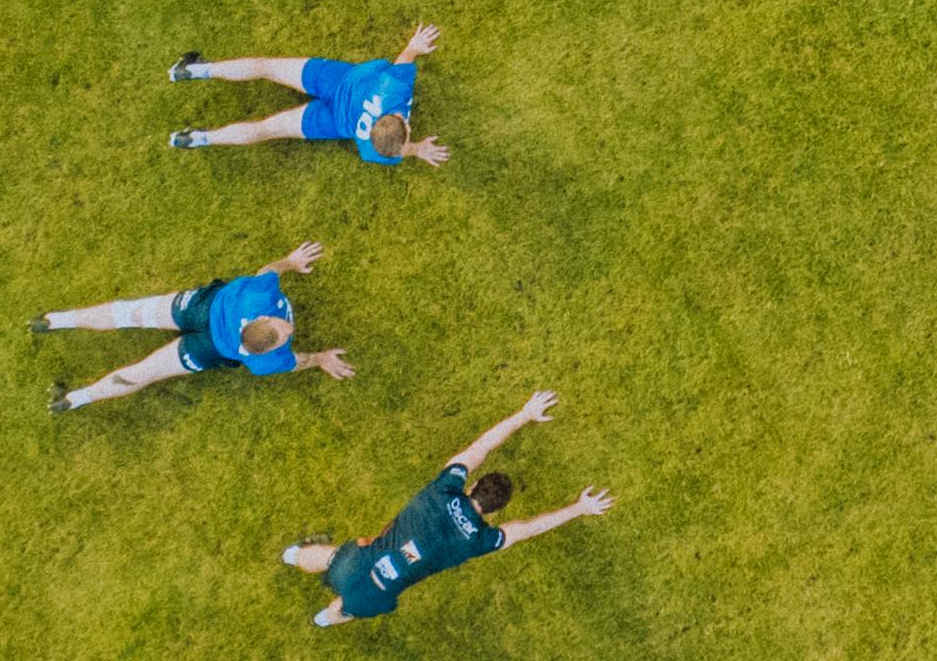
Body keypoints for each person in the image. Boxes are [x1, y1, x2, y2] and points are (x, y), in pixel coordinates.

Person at [288, 387, 607, 627]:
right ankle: (324, 619)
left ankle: (293, 556)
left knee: (332, 557)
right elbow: (528, 528)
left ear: (473, 487)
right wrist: (580, 508)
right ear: (494, 513)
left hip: (357, 561)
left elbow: (481, 446)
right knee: (345, 607)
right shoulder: (480, 541)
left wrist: (525, 414)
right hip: (375, 595)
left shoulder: (445, 488)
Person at [39, 236, 349, 409]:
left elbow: (270, 270)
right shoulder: (263, 334)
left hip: (205, 323)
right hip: (205, 325)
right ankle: (58, 322)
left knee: (138, 347)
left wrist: (291, 262)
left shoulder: (260, 303)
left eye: (284, 332)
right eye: (284, 331)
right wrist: (319, 359)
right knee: (133, 330)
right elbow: (297, 359)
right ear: (263, 319)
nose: (289, 329)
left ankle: (73, 389)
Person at [169, 26, 452, 166]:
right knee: (266, 129)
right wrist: (418, 150)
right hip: (333, 120)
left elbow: (407, 55)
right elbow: (401, 150)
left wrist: (415, 45)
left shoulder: (395, 86)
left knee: (264, 67)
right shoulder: (371, 149)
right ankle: (197, 139)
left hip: (333, 80)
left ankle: (193, 70)